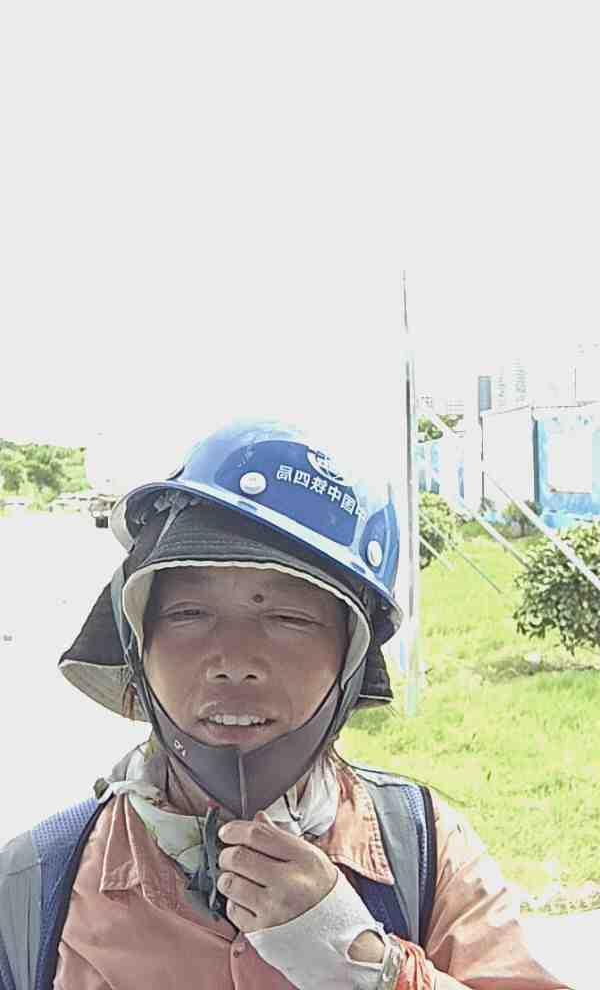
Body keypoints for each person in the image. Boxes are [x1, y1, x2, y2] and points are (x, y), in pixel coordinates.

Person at [0, 420, 571, 990]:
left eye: (288, 618)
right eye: (188, 614)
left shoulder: (423, 848)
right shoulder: (34, 885)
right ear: (138, 645)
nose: (233, 661)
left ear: (349, 660)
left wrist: (367, 965)